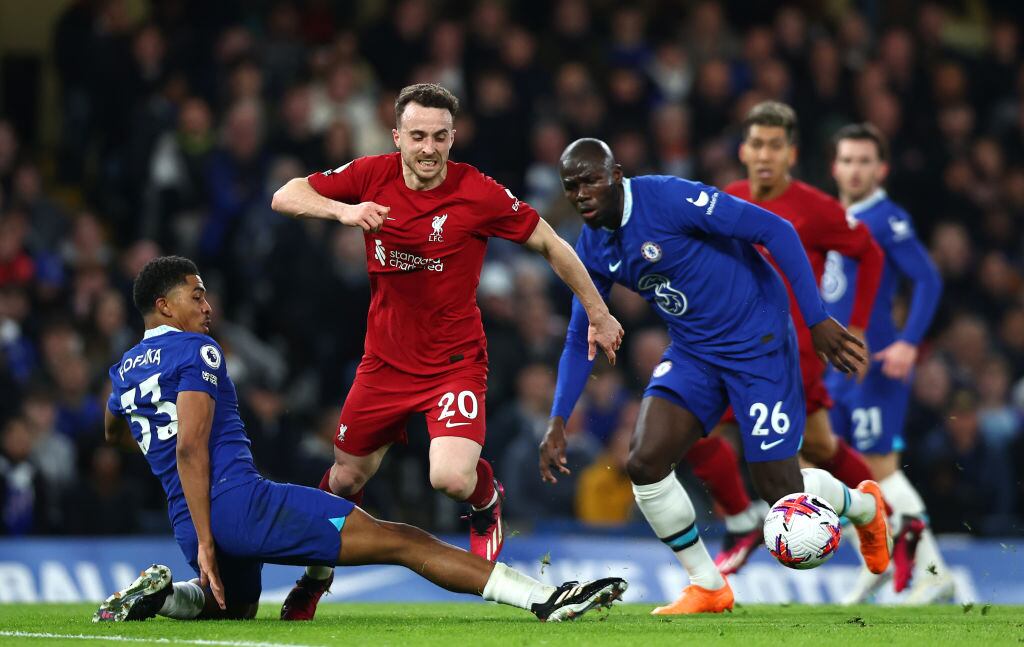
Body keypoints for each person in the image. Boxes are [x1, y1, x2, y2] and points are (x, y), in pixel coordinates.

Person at [93, 256, 626, 623]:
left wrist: (196, 530)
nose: (207, 306)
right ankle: (545, 598)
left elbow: (118, 432)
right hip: (240, 506)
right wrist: (213, 536)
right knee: (404, 541)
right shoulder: (198, 352)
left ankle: (163, 597)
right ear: (165, 306)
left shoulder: (122, 373)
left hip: (187, 521)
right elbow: (189, 446)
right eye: (196, 294)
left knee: (231, 608)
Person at [271, 84, 621, 602]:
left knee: (451, 477)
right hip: (384, 364)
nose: (429, 148)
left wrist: (598, 310)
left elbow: (549, 240)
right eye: (417, 136)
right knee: (344, 480)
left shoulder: (476, 191)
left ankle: (485, 499)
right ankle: (317, 576)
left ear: (453, 138)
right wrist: (344, 213)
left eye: (440, 136)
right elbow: (286, 194)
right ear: (398, 137)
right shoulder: (370, 174)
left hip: (453, 363)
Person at [539, 138, 891, 615]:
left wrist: (816, 318)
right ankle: (708, 585)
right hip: (694, 352)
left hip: (757, 342)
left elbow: (776, 230)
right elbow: (582, 335)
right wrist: (559, 418)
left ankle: (865, 506)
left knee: (779, 493)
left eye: (591, 180)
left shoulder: (669, 198)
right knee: (644, 461)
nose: (581, 194)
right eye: (571, 186)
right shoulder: (592, 247)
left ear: (616, 175)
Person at [709, 101, 888, 575]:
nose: (765, 155)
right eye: (757, 145)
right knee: (708, 431)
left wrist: (861, 326)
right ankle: (748, 520)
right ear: (743, 151)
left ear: (792, 153)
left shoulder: (816, 208)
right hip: (735, 347)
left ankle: (871, 515)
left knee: (808, 446)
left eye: (775, 146)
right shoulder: (729, 197)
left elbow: (869, 255)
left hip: (793, 353)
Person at [825, 122, 952, 604]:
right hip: (837, 365)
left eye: (865, 161)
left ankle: (935, 571)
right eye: (848, 160)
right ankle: (875, 560)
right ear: (835, 167)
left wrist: (908, 343)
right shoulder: (834, 215)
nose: (856, 170)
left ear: (881, 169)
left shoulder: (887, 218)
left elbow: (928, 280)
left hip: (876, 363)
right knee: (839, 466)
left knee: (880, 466)